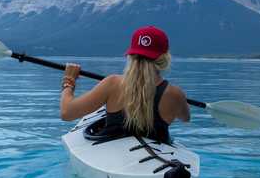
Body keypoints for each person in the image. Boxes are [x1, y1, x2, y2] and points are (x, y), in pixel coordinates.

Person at [60, 26, 190, 143]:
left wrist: (69, 81)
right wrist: (178, 102)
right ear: (165, 58)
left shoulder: (112, 83)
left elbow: (67, 113)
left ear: (131, 55)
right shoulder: (175, 94)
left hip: (111, 152)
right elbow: (185, 118)